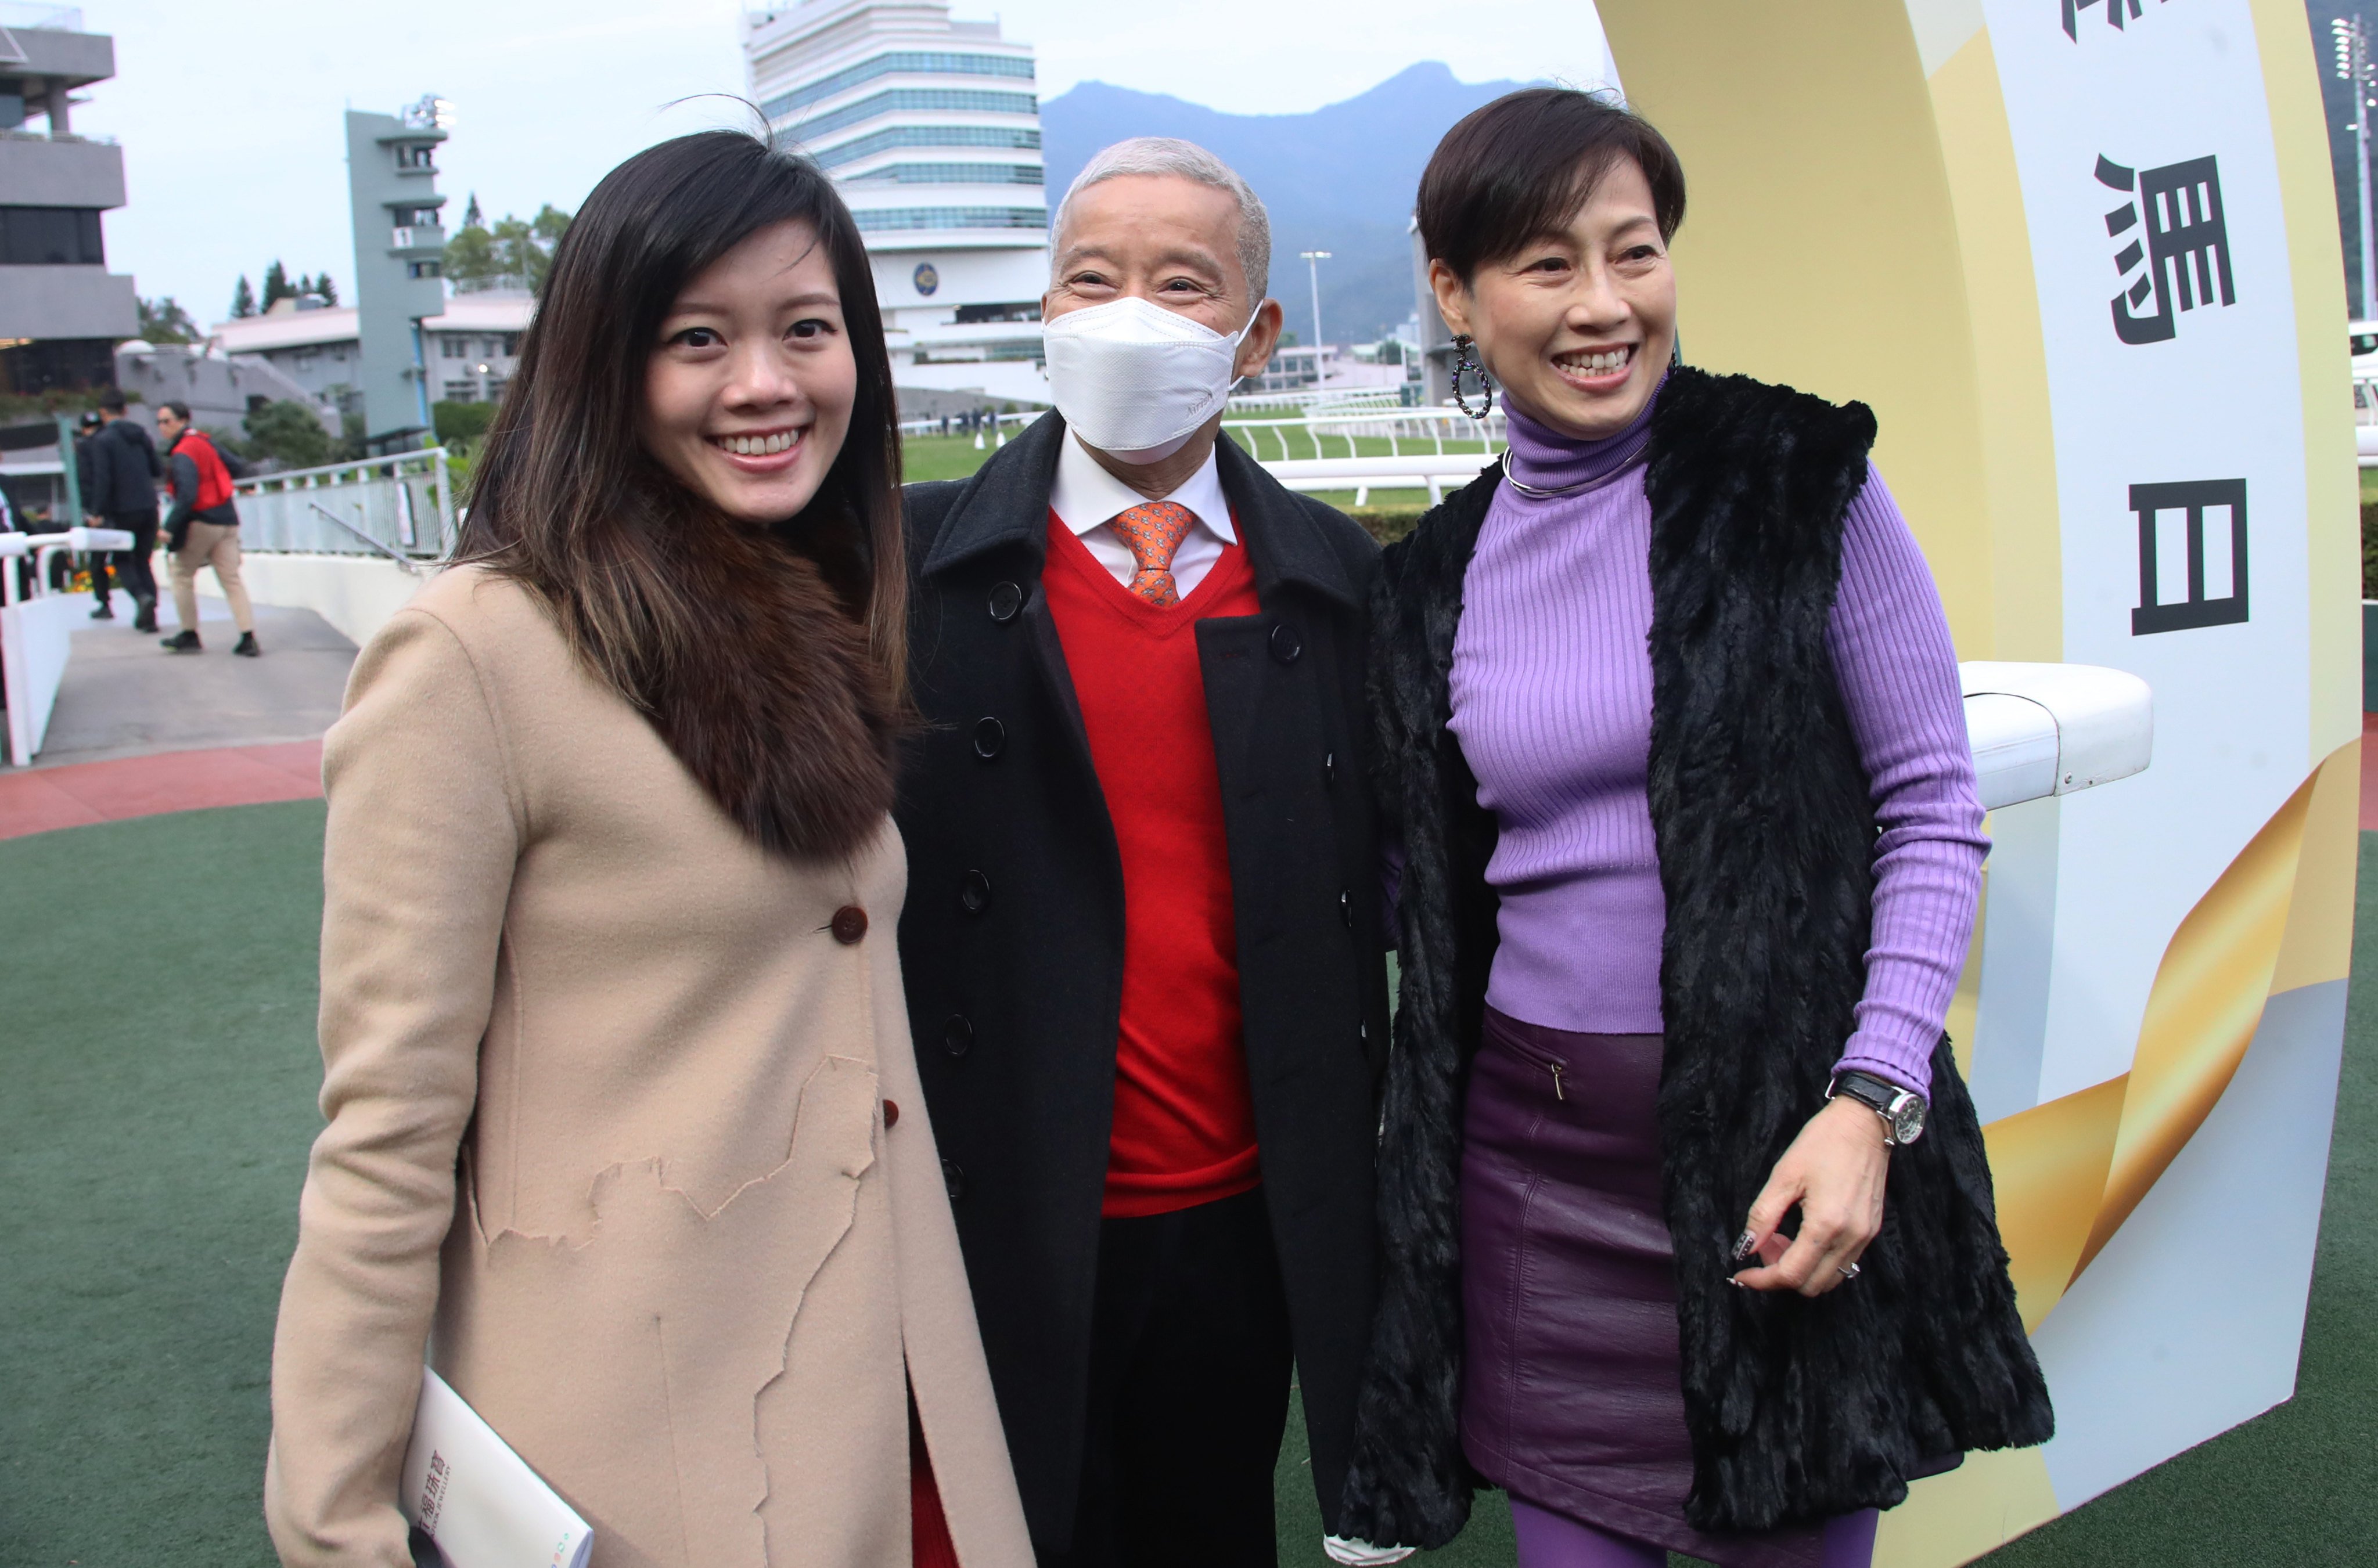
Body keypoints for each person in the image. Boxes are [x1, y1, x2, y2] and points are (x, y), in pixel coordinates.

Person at [265, 131, 1032, 1568]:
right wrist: (334, 1517)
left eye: (808, 329)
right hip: (650, 1441)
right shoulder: (473, 657)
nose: (765, 382)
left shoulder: (813, 615)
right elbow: (384, 1134)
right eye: (699, 337)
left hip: (894, 1393)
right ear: (605, 364)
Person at [1337, 90, 2052, 1568]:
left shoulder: (1798, 482)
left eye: (1635, 251)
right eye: (1548, 264)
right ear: (1457, 297)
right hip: (1529, 1181)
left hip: (1781, 1165)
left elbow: (1931, 801)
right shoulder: (1432, 579)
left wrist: (1872, 1105)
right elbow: (1417, 888)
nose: (1604, 305)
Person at [894, 137, 1390, 1568]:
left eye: (1184, 285)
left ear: (1257, 332)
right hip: (982, 1200)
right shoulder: (906, 568)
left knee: (1206, 1524)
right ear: (1044, 312)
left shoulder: (1340, 582)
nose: (1128, 317)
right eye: (1091, 279)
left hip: (1236, 1211)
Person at [154, 401, 259, 656]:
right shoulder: (205, 442)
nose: (162, 427)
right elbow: (237, 466)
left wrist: (169, 527)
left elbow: (187, 495)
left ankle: (189, 633)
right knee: (231, 580)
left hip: (203, 521)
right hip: (228, 519)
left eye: (166, 421)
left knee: (181, 574)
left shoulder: (183, 452)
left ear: (182, 421)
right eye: (159, 422)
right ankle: (248, 637)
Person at [81, 387, 161, 629]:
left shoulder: (102, 440)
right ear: (126, 410)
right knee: (143, 561)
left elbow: (103, 479)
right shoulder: (142, 435)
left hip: (123, 510)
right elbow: (157, 469)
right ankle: (151, 618)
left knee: (123, 559)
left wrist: (96, 511)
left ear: (103, 413)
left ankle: (141, 597)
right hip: (149, 506)